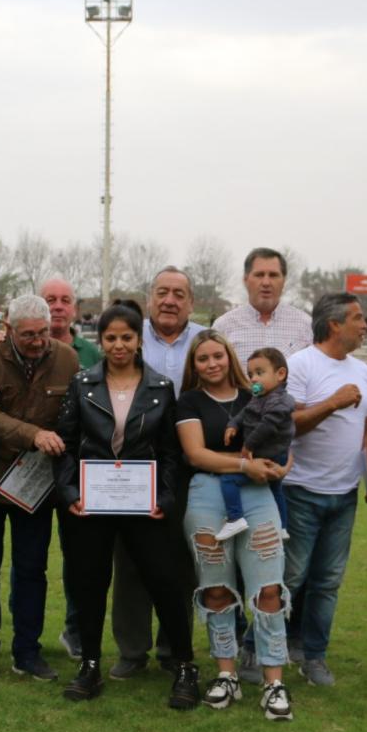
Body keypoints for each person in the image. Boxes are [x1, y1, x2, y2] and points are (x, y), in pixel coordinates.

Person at [54, 301, 200, 708]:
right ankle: (90, 665)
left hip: (145, 504)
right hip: (92, 504)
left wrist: (166, 498)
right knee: (89, 582)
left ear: (139, 340)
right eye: (111, 337)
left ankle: (185, 666)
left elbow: (171, 451)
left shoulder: (159, 388)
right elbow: (64, 445)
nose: (119, 345)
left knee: (165, 581)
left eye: (127, 337)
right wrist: (70, 494)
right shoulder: (82, 383)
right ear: (99, 340)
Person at [239, 292, 367, 687]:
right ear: (335, 324)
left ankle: (313, 656)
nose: (364, 324)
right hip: (301, 488)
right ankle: (254, 646)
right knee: (289, 576)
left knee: (328, 582)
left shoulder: (363, 371)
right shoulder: (301, 365)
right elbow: (289, 424)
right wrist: (333, 403)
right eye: (357, 318)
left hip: (344, 493)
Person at [0, 293, 81, 682]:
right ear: (8, 329)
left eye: (43, 333)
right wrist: (34, 435)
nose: (37, 341)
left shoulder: (67, 358)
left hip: (36, 484)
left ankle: (28, 651)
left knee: (32, 568)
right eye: (28, 335)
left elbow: (73, 414)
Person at [174, 330, 295, 720]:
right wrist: (244, 464)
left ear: (230, 357)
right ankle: (226, 675)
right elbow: (196, 454)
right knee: (216, 589)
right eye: (203, 358)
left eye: (218, 356)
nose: (212, 364)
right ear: (194, 365)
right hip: (207, 495)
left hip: (258, 492)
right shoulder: (188, 401)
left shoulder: (256, 395)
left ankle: (273, 680)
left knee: (269, 588)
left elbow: (283, 438)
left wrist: (282, 465)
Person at [95, 266, 207, 681]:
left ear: (190, 302)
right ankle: (132, 649)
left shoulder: (204, 341)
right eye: (162, 291)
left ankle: (174, 648)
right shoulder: (127, 333)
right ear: (150, 296)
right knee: (130, 564)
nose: (170, 300)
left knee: (182, 562)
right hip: (134, 469)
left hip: (191, 465)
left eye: (179, 293)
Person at [217, 347, 295, 541]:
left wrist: (248, 446)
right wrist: (233, 424)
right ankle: (283, 526)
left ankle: (236, 518)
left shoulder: (279, 401)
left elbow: (267, 426)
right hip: (269, 451)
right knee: (276, 489)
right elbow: (246, 412)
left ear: (280, 374)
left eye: (259, 373)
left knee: (229, 480)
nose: (253, 379)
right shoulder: (260, 396)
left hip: (271, 454)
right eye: (251, 374)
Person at [213, 247, 314, 363]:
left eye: (273, 275)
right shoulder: (223, 328)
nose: (266, 282)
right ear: (245, 280)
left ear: (284, 280)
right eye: (259, 275)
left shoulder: (306, 327)